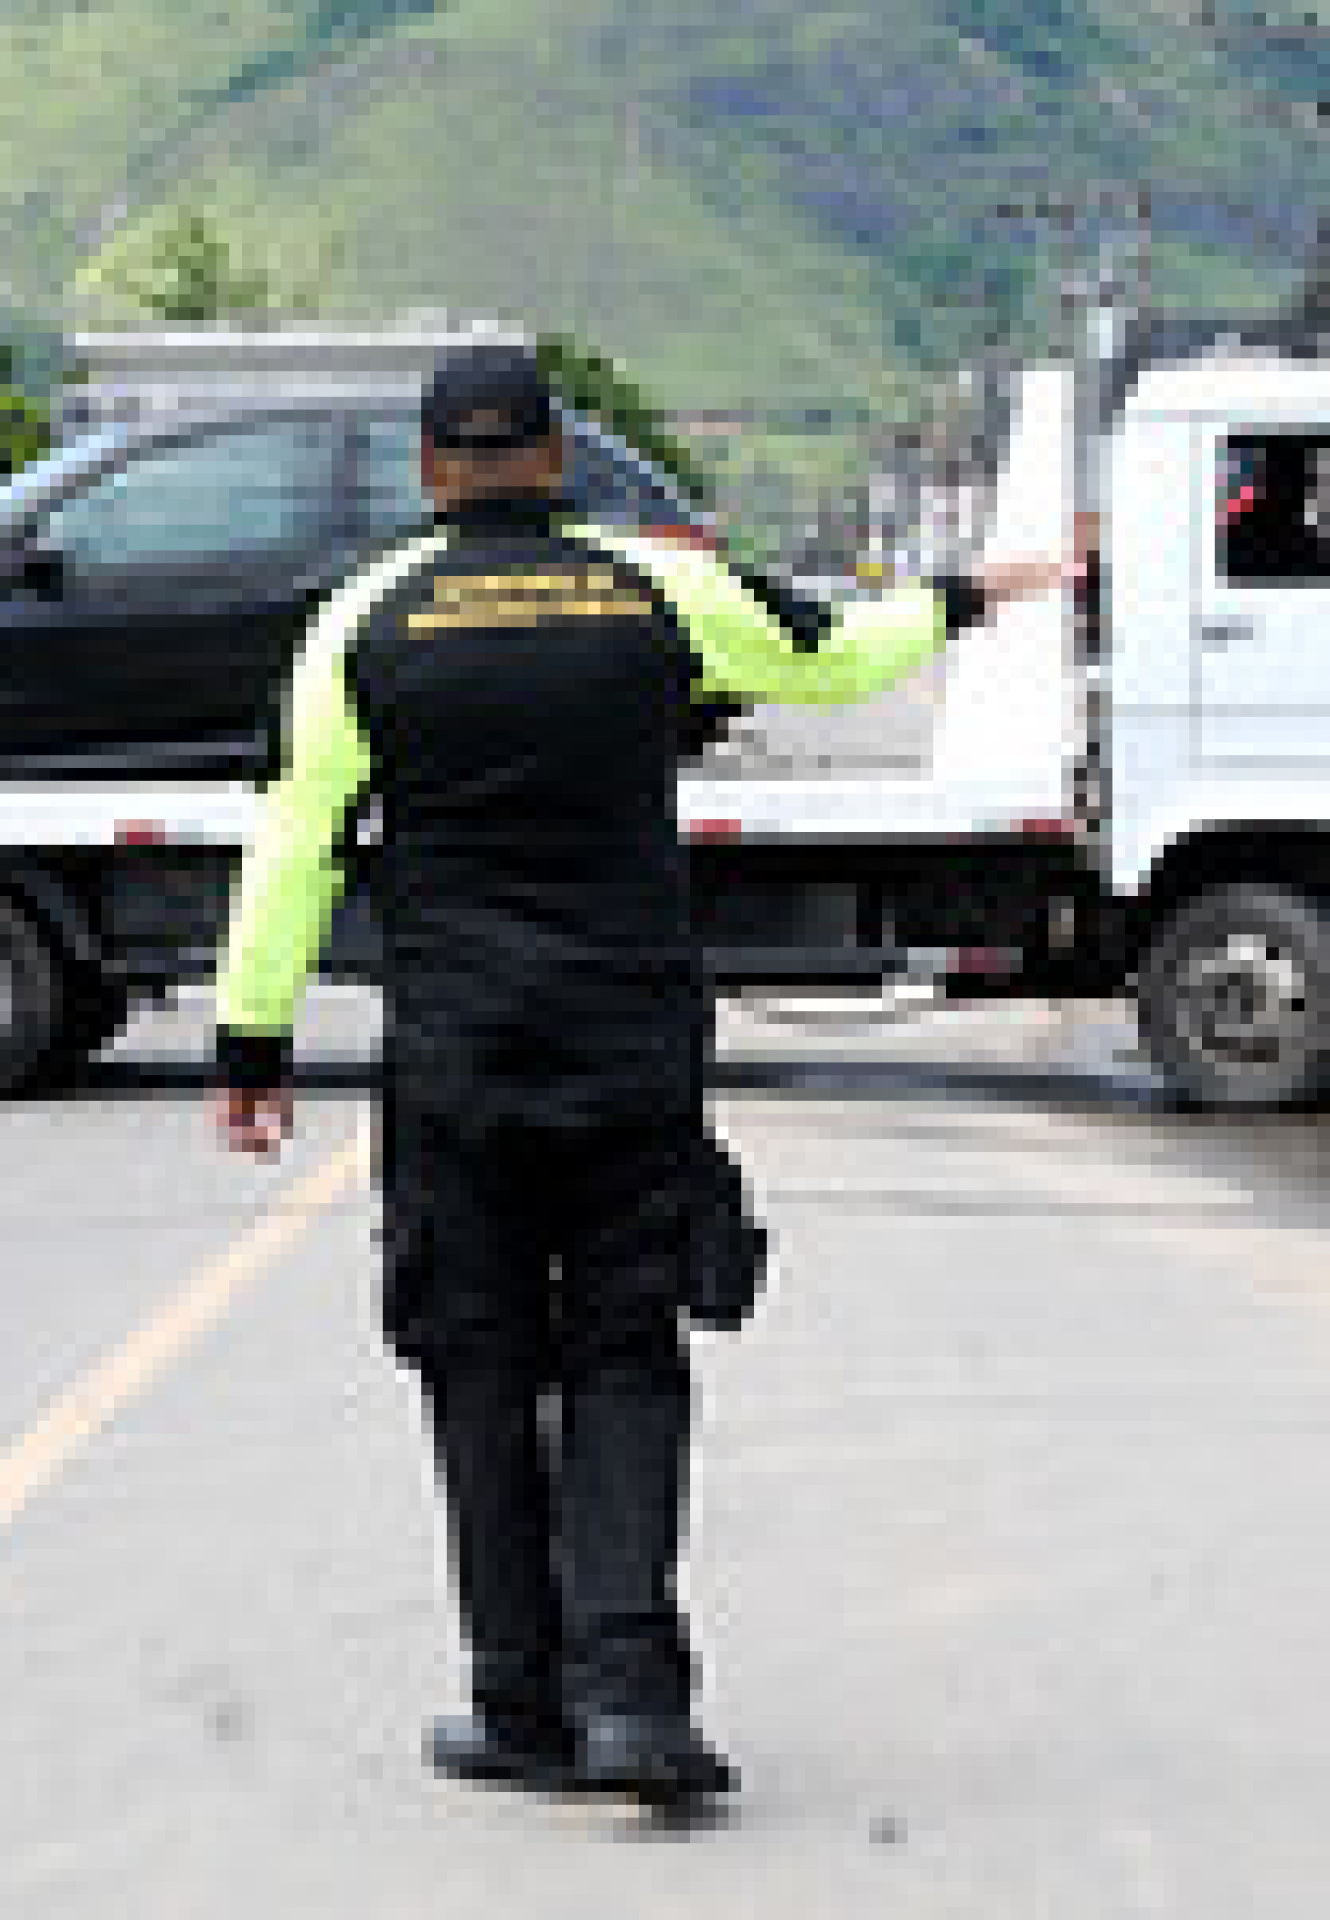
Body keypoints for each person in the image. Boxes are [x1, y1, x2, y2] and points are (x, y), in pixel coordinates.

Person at [207, 343, 1080, 1803]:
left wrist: (252, 1042)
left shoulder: (361, 615)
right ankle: (636, 1704)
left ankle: (518, 1705)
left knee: (476, 1367)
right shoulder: (652, 583)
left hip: (460, 1057)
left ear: (433, 472)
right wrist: (972, 594)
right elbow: (837, 659)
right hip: (629, 1043)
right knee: (623, 1350)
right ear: (555, 460)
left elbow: (295, 838)